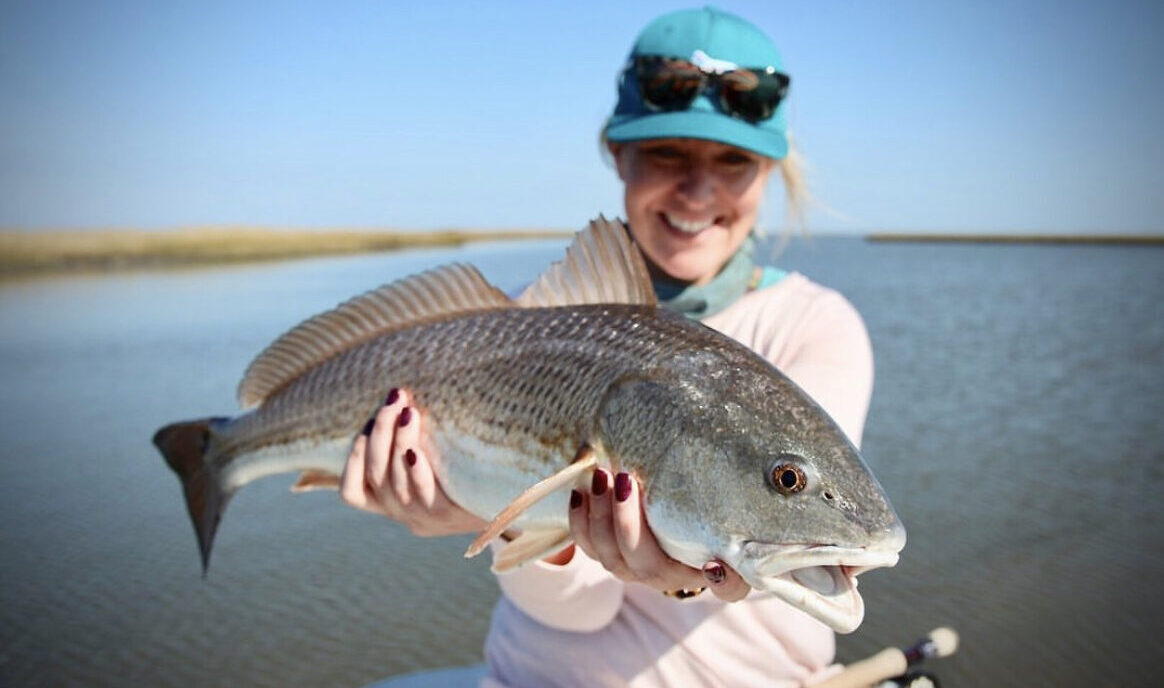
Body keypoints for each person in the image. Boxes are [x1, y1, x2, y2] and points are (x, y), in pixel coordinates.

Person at [341, 7, 874, 687]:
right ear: (617, 154)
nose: (698, 189)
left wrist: (686, 576)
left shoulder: (814, 325)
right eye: (665, 153)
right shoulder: (533, 321)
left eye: (733, 160)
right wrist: (486, 515)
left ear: (770, 172)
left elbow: (776, 535)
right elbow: (575, 618)